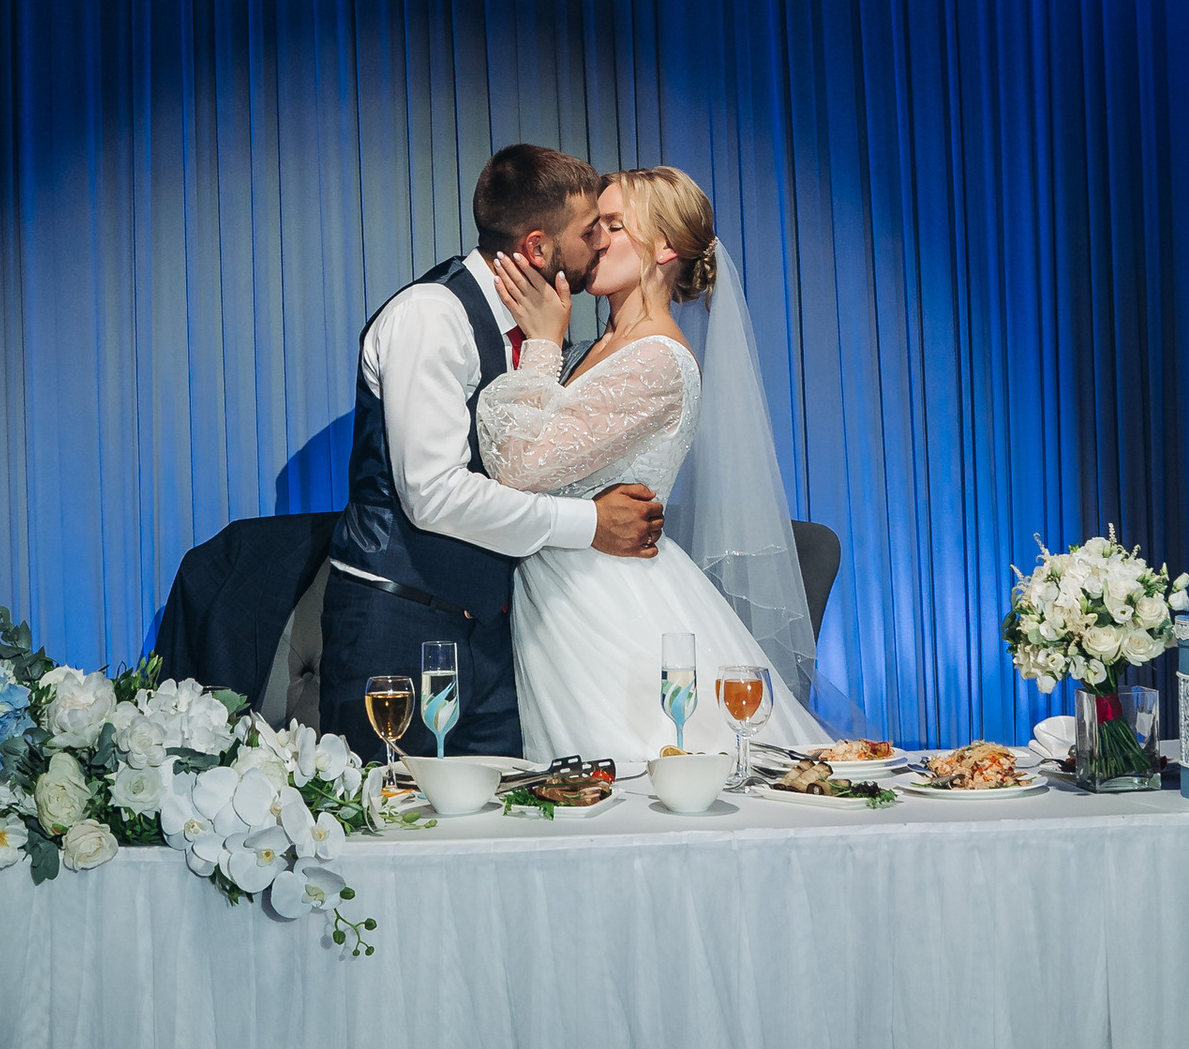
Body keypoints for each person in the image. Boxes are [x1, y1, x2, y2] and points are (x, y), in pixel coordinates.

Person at [317, 145, 668, 764]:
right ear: (537, 248)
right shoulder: (433, 317)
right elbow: (436, 494)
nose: (601, 245)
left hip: (496, 634)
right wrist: (590, 525)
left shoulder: (543, 334)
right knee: (391, 836)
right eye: (591, 232)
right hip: (397, 626)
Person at [477, 165, 834, 764]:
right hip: (563, 596)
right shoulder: (599, 347)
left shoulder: (659, 361)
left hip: (605, 604)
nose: (595, 241)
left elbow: (518, 465)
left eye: (612, 225)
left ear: (665, 247)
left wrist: (539, 345)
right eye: (594, 226)